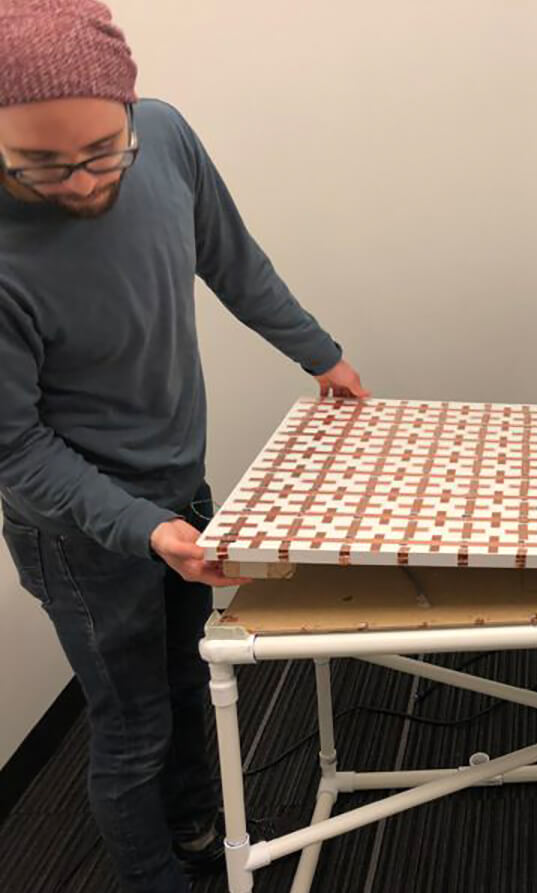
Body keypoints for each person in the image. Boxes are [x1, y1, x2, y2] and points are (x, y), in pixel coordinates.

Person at [0, 2, 369, 890]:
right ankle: (149, 873)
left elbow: (233, 260)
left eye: (100, 152)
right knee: (130, 724)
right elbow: (16, 451)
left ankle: (198, 826)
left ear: (131, 108)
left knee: (189, 673)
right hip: (78, 532)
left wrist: (321, 354)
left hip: (178, 485)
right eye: (41, 166)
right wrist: (143, 528)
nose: (83, 183)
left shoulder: (165, 137)